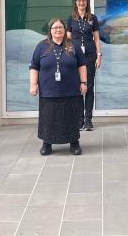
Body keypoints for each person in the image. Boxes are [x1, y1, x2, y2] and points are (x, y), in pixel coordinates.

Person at [30, 18, 88, 155]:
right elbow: (34, 66)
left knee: (71, 117)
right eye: (55, 28)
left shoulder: (73, 45)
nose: (58, 30)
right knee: (48, 118)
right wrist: (33, 85)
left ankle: (74, 143)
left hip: (71, 89)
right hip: (48, 91)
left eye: (60, 27)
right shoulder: (41, 46)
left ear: (64, 29)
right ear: (50, 30)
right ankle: (47, 144)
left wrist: (83, 82)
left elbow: (82, 64)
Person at [67, 0, 102, 131]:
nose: (81, 3)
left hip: (89, 56)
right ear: (75, 3)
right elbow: (68, 40)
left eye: (84, 0)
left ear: (87, 3)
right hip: (75, 57)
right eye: (79, 0)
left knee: (89, 87)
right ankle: (79, 119)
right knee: (78, 88)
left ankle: (88, 120)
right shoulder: (71, 19)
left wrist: (99, 55)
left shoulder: (92, 18)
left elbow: (97, 39)